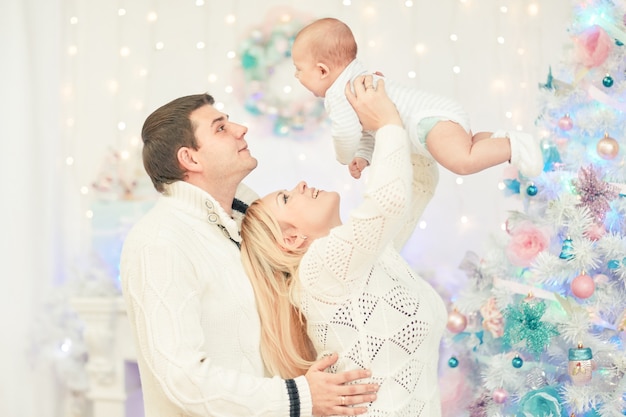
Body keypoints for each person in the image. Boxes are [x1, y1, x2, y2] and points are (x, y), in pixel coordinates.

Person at [119, 93, 380, 417]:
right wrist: (300, 397)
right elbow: (182, 377)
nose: (241, 129)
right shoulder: (159, 241)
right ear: (190, 158)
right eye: (220, 128)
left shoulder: (246, 218)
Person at [240, 75, 447, 416]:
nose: (301, 184)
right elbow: (388, 202)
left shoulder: (368, 259)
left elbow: (420, 179)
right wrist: (386, 124)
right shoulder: (319, 269)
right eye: (287, 198)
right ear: (292, 238)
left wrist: (381, 125)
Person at [291, 17, 544, 180]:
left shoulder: (339, 93)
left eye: (299, 69)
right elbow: (369, 130)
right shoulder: (358, 78)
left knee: (462, 162)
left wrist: (344, 156)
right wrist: (364, 155)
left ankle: (514, 146)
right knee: (469, 146)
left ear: (323, 70)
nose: (296, 75)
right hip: (437, 116)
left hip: (428, 121)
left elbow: (346, 132)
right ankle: (498, 140)